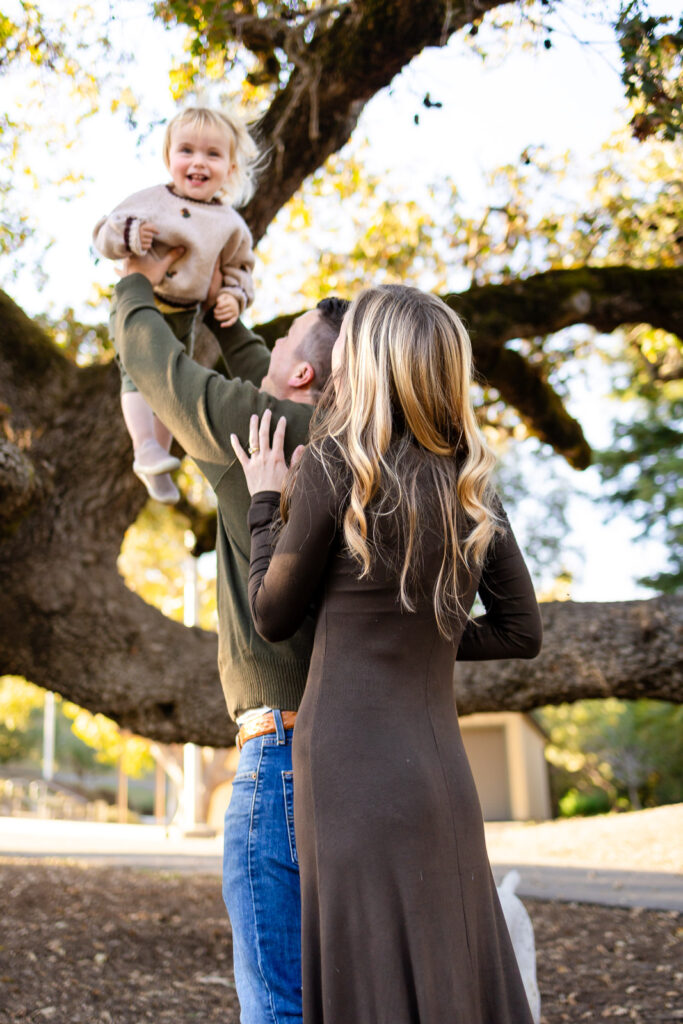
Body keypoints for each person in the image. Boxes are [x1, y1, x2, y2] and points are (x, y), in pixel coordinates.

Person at [232, 284, 544, 1024]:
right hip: (438, 774)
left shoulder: (334, 465)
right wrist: (425, 634)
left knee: (361, 970)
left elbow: (272, 615)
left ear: (368, 362)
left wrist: (263, 505)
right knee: (445, 961)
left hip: (346, 768)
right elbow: (519, 631)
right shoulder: (470, 482)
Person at [111, 246, 348, 1024]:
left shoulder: (259, 431)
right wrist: (239, 327)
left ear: (303, 376)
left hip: (279, 755)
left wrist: (133, 282)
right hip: (347, 750)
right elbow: (265, 380)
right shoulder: (338, 439)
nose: (271, 343)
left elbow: (161, 371)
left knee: (277, 1002)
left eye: (288, 336)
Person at [94, 106, 258, 503]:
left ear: (230, 167)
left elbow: (241, 270)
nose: (198, 162)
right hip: (140, 301)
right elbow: (104, 235)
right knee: (137, 371)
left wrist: (233, 298)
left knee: (170, 381)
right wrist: (131, 235)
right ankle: (144, 447)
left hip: (184, 313)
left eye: (212, 154)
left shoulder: (231, 224)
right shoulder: (151, 201)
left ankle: (158, 458)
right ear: (169, 159)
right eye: (186, 151)